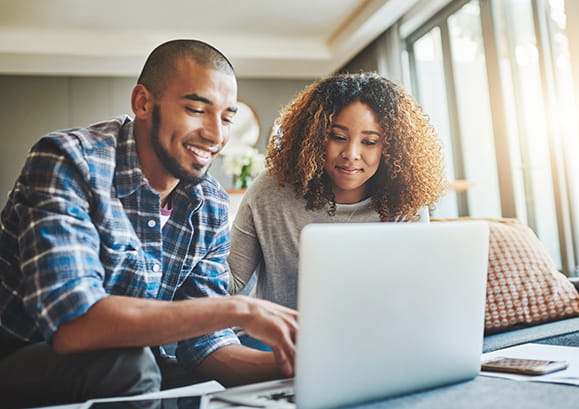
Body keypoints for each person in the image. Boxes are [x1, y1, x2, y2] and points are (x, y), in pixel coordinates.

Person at [0, 39, 297, 408]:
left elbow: (205, 344)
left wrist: (298, 367)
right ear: (143, 102)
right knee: (133, 365)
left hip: (130, 365)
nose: (217, 136)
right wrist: (239, 308)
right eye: (196, 109)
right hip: (21, 360)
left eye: (226, 118)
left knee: (193, 376)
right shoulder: (69, 162)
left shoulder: (210, 205)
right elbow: (73, 324)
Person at [228, 72, 446, 310]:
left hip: (378, 336)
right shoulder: (272, 189)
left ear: (391, 148)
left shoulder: (405, 202)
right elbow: (232, 282)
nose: (351, 153)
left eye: (370, 142)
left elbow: (414, 292)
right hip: (283, 341)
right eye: (338, 137)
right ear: (315, 136)